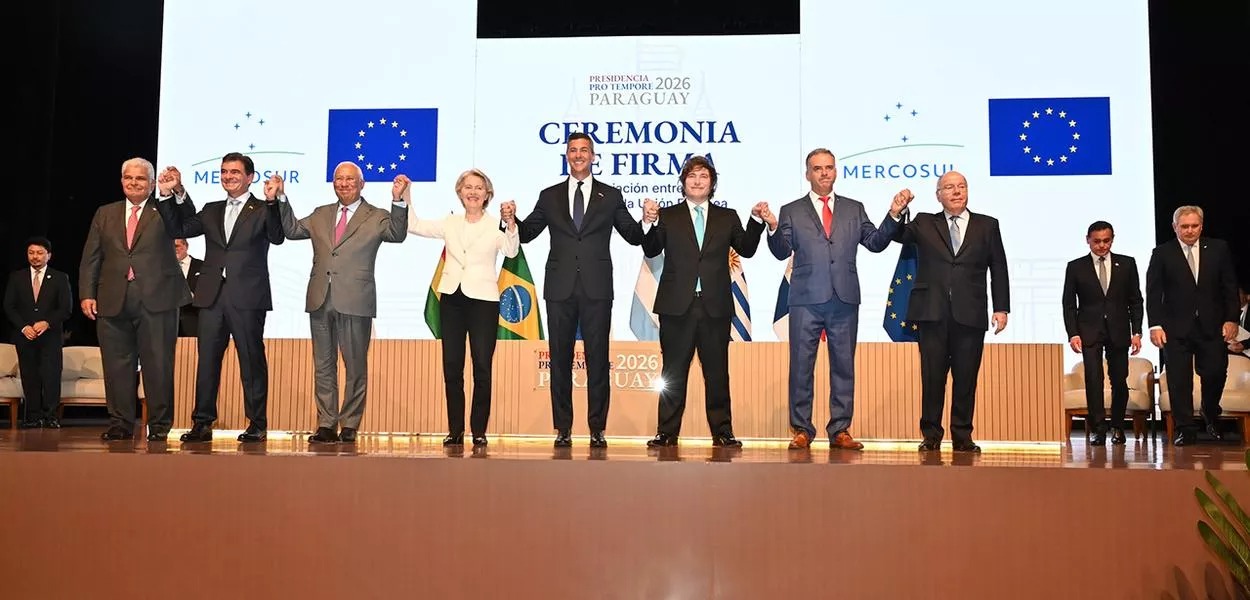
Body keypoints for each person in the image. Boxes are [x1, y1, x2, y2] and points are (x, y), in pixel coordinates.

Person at [504, 132, 651, 448]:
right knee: (559, 360)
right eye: (573, 150)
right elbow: (528, 233)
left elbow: (633, 235)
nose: (579, 155)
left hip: (597, 288)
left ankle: (597, 428)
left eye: (584, 150)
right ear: (567, 156)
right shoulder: (549, 195)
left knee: (598, 359)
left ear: (593, 156)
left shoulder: (611, 196)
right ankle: (563, 428)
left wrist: (647, 220)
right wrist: (511, 221)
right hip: (560, 288)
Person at [762, 148, 912, 450]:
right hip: (805, 300)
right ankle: (802, 429)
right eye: (817, 168)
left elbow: (875, 242)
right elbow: (780, 251)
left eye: (829, 167)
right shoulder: (791, 210)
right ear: (808, 174)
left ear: (835, 171)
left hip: (844, 299)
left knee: (843, 366)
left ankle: (840, 430)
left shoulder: (854, 208)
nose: (824, 173)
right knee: (801, 367)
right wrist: (773, 226)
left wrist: (894, 214)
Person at [272, 161, 408, 445]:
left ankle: (350, 424)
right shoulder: (321, 213)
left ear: (362, 184)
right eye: (339, 179)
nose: (344, 184)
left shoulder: (376, 215)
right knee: (323, 365)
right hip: (320, 298)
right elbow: (292, 230)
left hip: (356, 300)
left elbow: (397, 235)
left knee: (355, 366)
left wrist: (398, 200)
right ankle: (326, 424)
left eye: (350, 179)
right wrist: (281, 198)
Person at [155, 153, 285, 443]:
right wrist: (168, 194)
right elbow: (178, 228)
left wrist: (273, 201)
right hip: (211, 296)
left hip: (247, 297)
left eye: (235, 172)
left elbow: (277, 236)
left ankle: (257, 424)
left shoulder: (262, 208)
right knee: (207, 363)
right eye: (224, 172)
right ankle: (202, 423)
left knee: (251, 360)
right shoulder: (211, 209)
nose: (228, 177)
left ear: (250, 177)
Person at [640, 156, 765, 448]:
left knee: (717, 373)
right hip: (676, 307)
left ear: (712, 184)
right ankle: (666, 432)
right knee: (673, 373)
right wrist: (647, 222)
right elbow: (651, 248)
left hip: (715, 307)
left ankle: (723, 432)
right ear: (683, 182)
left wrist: (756, 220)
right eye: (692, 176)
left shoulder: (727, 217)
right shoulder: (667, 216)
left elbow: (746, 248)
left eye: (704, 176)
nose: (697, 181)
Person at [894, 170, 1009, 453]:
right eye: (949, 187)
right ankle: (931, 435)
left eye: (961, 186)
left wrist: (1001, 307)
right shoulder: (924, 222)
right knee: (932, 378)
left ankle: (962, 436)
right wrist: (898, 212)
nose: (956, 192)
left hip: (970, 314)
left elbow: (999, 267)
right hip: (931, 313)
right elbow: (897, 235)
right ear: (938, 195)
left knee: (966, 379)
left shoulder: (988, 225)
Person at [405, 169, 519, 447]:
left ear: (487, 194)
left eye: (479, 188)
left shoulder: (495, 225)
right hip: (452, 300)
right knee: (452, 367)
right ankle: (455, 430)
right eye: (468, 187)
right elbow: (415, 225)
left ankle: (478, 430)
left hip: (484, 302)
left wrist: (511, 224)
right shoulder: (450, 222)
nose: (473, 192)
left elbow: (511, 251)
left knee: (482, 367)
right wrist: (404, 195)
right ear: (460, 192)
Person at [80, 157, 191, 442]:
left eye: (140, 178)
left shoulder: (163, 209)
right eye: (128, 177)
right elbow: (92, 257)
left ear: (152, 184)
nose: (133, 183)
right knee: (116, 366)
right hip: (112, 299)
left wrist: (177, 192)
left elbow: (186, 223)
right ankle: (120, 423)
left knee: (158, 364)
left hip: (157, 299)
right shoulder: (105, 213)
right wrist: (87, 294)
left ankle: (159, 425)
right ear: (121, 181)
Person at [1145, 205, 1240, 445]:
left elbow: (1229, 286)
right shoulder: (1162, 253)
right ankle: (1185, 428)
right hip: (1175, 328)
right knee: (1179, 379)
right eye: (1184, 226)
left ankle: (1209, 410)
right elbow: (1154, 292)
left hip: (1212, 325)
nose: (1189, 231)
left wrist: (1232, 319)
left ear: (1201, 226)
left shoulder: (1218, 249)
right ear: (1175, 227)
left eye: (1194, 226)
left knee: (1215, 372)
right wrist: (1155, 325)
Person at [1061, 221, 1144, 445]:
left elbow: (1136, 300)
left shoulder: (1126, 264)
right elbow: (1069, 304)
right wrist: (1073, 333)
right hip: (1089, 331)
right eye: (1097, 241)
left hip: (1119, 330)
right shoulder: (1076, 267)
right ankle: (1098, 428)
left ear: (1112, 239)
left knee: (1119, 379)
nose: (1102, 245)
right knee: (1093, 379)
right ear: (1087, 240)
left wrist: (1137, 331)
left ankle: (1117, 426)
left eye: (1106, 241)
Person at [3, 237, 72, 428]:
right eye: (31, 253)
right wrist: (24, 327)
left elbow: (66, 309)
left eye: (40, 253)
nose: (35, 257)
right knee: (29, 376)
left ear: (48, 255)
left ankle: (51, 416)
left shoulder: (60, 278)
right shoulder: (17, 277)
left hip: (50, 336)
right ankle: (33, 416)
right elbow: (9, 306)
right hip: (25, 336)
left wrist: (47, 323)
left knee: (51, 376)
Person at [173, 238, 203, 337]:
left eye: (177, 246)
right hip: (169, 322)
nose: (174, 249)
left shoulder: (202, 266)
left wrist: (195, 297)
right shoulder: (163, 268)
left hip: (193, 320)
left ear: (186, 246)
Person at [1228, 286, 1248, 357]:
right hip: (1230, 354)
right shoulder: (1226, 314)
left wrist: (1244, 344)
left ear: (1246, 295)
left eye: (1238, 293)